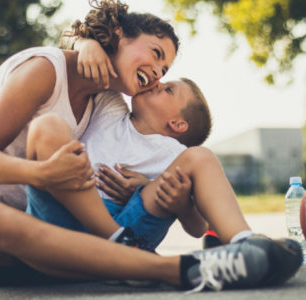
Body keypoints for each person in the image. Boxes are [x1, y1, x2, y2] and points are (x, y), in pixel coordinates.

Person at [0, 0, 302, 291]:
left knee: (197, 159)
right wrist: (42, 171)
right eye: (157, 54)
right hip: (6, 247)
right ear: (119, 34)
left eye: (165, 71)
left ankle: (244, 245)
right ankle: (171, 268)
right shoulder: (45, 71)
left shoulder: (110, 98)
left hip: (73, 237)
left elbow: (98, 58)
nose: (159, 75)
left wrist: (87, 43)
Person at [26, 77, 211, 252]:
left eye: (168, 90)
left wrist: (154, 192)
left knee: (173, 181)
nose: (156, 82)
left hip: (128, 225)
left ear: (177, 124)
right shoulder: (112, 108)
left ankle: (123, 248)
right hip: (68, 212)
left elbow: (198, 227)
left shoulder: (176, 154)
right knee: (46, 125)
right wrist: (84, 46)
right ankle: (116, 247)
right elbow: (105, 67)